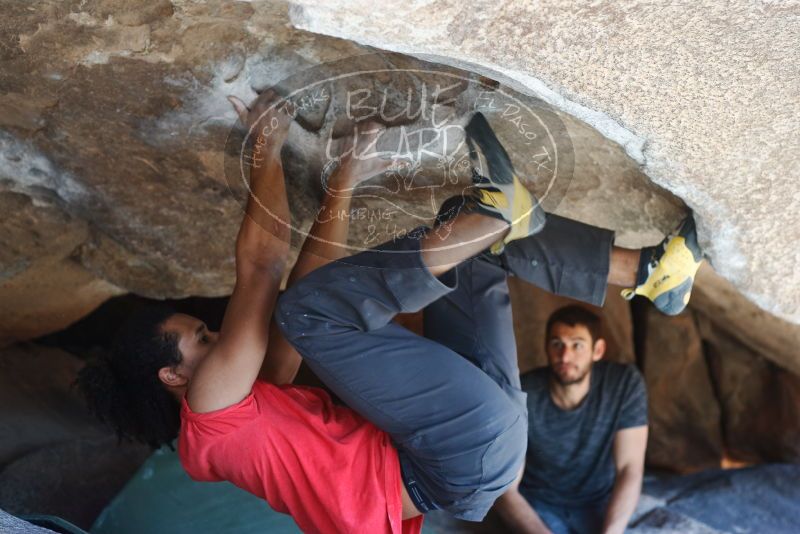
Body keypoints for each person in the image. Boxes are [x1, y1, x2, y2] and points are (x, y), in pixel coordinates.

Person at [76, 92, 703, 534]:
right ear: (173, 377)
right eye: (200, 337)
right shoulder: (210, 413)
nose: (216, 337)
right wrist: (264, 146)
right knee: (302, 313)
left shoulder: (245, 410)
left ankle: (649, 273)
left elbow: (312, 284)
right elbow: (264, 272)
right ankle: (497, 213)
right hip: (455, 456)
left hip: (479, 442)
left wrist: (343, 180)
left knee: (465, 240)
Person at [494, 306, 648, 534]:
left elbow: (630, 468)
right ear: (547, 347)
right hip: (539, 504)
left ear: (598, 350)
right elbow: (506, 489)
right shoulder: (521, 394)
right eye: (557, 344)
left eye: (577, 345)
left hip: (597, 502)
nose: (565, 356)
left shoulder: (624, 384)